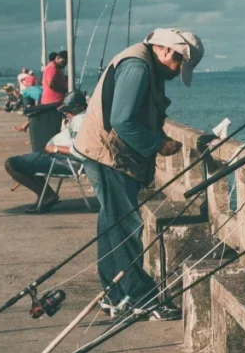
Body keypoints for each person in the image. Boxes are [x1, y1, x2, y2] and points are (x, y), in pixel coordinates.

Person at [74, 28, 204, 319]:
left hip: (102, 154)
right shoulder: (137, 67)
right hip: (107, 156)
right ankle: (142, 297)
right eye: (179, 65)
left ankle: (114, 295)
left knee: (112, 225)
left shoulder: (147, 65)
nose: (176, 73)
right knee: (126, 226)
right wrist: (157, 144)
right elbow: (122, 121)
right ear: (169, 51)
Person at [4, 90, 88, 213]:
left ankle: (47, 195)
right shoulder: (80, 117)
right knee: (25, 162)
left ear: (80, 108)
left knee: (11, 164)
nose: (66, 112)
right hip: (58, 158)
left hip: (64, 161)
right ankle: (47, 195)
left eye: (69, 110)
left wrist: (54, 148)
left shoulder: (80, 120)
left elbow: (80, 149)